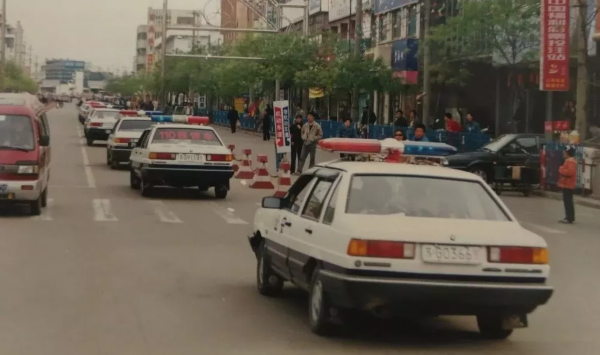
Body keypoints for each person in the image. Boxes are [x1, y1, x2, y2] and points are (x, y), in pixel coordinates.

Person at [558, 147, 577, 224]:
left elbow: (570, 172)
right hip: (566, 184)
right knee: (567, 201)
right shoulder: (568, 161)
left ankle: (569, 217)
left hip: (568, 184)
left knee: (568, 201)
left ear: (568, 153)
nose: (564, 154)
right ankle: (568, 216)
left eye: (565, 152)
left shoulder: (571, 162)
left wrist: (561, 169)